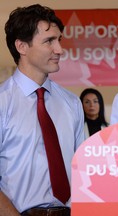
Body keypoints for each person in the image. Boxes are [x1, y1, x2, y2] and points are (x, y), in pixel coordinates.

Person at [0, 4, 84, 215]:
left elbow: (82, 170)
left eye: (59, 40)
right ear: (22, 46)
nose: (59, 49)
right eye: (49, 41)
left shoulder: (72, 103)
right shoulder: (2, 102)